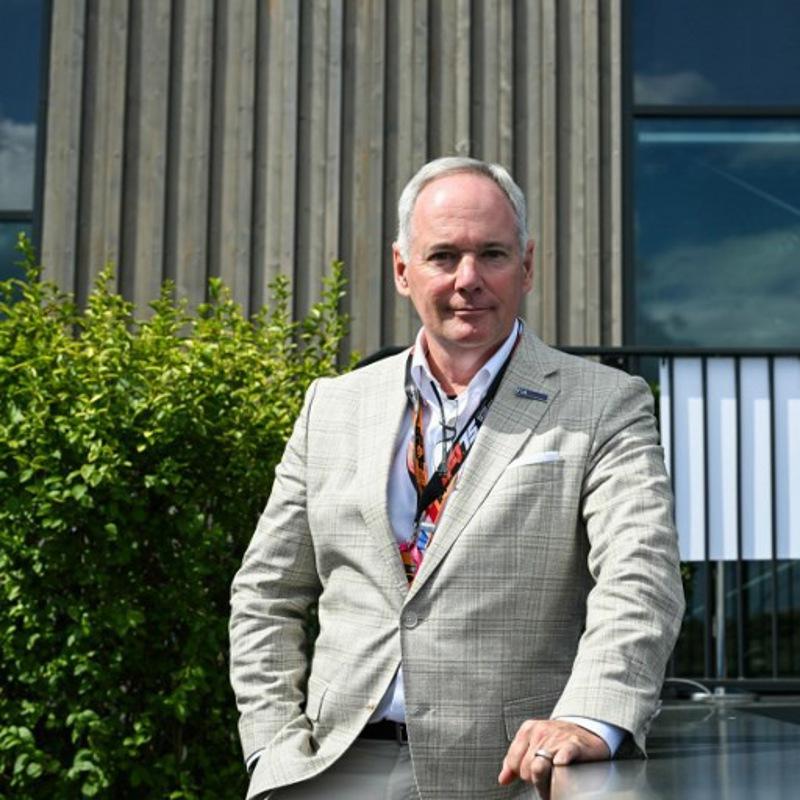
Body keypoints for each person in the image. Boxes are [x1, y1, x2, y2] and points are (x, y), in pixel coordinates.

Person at [229, 156, 684, 799]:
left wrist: (590, 717)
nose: (468, 279)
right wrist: (272, 749)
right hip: (332, 769)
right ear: (401, 269)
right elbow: (266, 592)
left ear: (526, 267)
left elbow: (641, 574)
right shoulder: (332, 406)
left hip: (511, 777)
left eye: (492, 254)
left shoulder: (605, 403)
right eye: (443, 256)